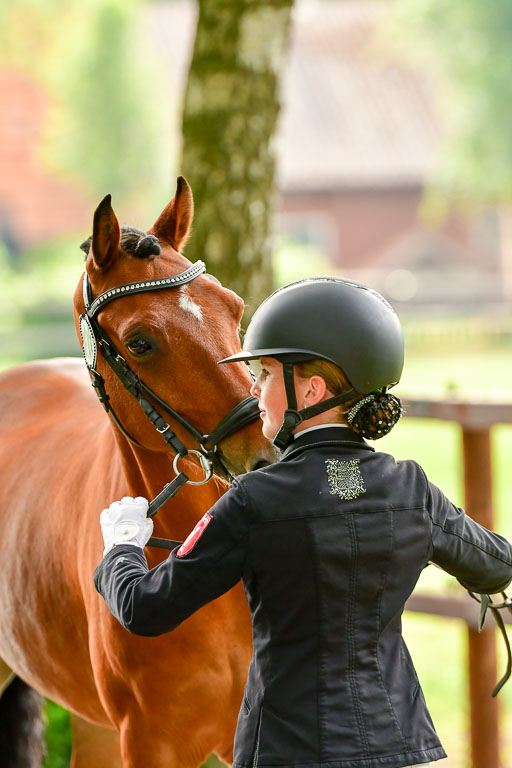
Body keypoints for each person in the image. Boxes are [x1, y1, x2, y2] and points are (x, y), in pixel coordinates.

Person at [94, 277, 512, 768]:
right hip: (393, 745)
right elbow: (497, 565)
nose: (252, 388)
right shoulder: (411, 490)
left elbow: (145, 608)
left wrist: (122, 546)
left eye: (266, 373)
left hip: (286, 749)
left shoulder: (253, 500)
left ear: (311, 390)